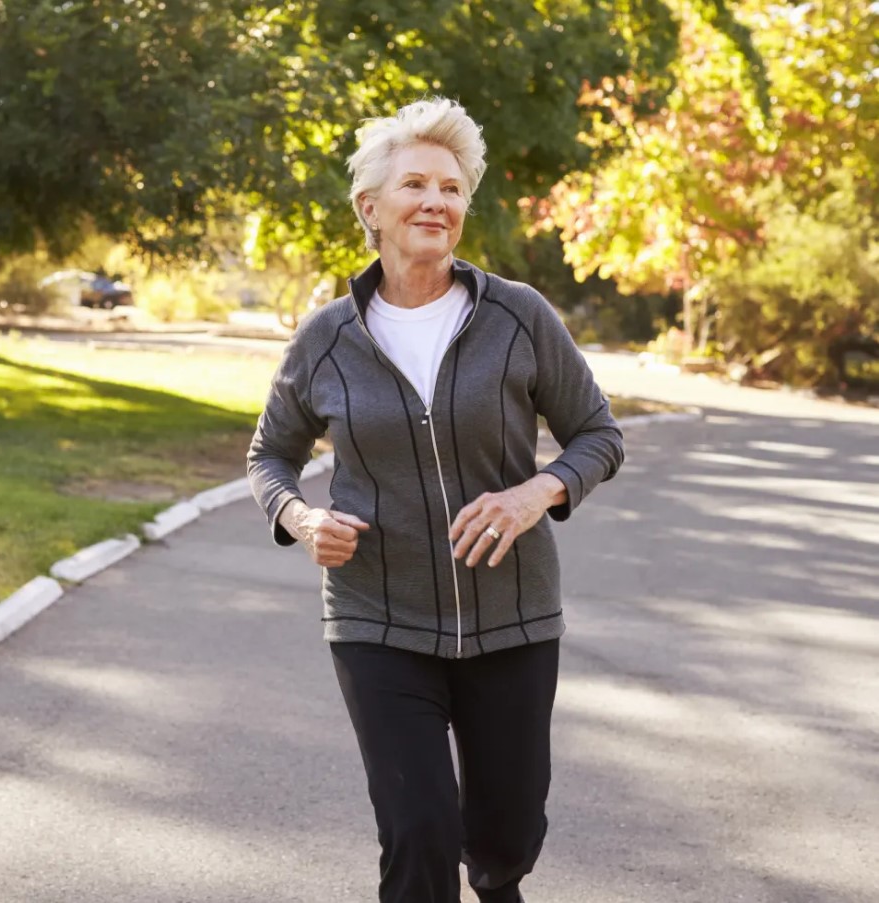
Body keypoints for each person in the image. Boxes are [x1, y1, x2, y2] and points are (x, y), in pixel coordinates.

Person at [246, 97, 625, 903]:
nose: (435, 201)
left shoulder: (518, 316)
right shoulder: (325, 339)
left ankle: (497, 880)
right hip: (376, 619)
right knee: (416, 831)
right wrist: (301, 517)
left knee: (505, 837)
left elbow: (597, 434)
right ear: (370, 208)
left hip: (512, 618)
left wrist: (535, 493)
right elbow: (269, 455)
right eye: (415, 184)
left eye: (451, 188)